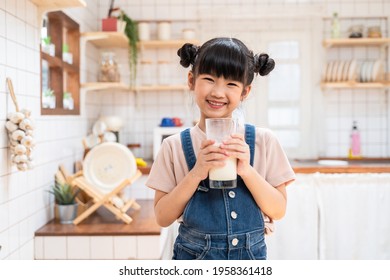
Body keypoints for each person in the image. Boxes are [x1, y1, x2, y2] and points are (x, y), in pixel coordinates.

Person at [146, 37, 296, 260]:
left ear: (245, 92)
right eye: (209, 79)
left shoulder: (264, 141)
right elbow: (162, 217)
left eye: (231, 84)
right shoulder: (173, 146)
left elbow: (278, 210)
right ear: (191, 80)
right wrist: (196, 173)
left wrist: (246, 170)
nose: (218, 92)